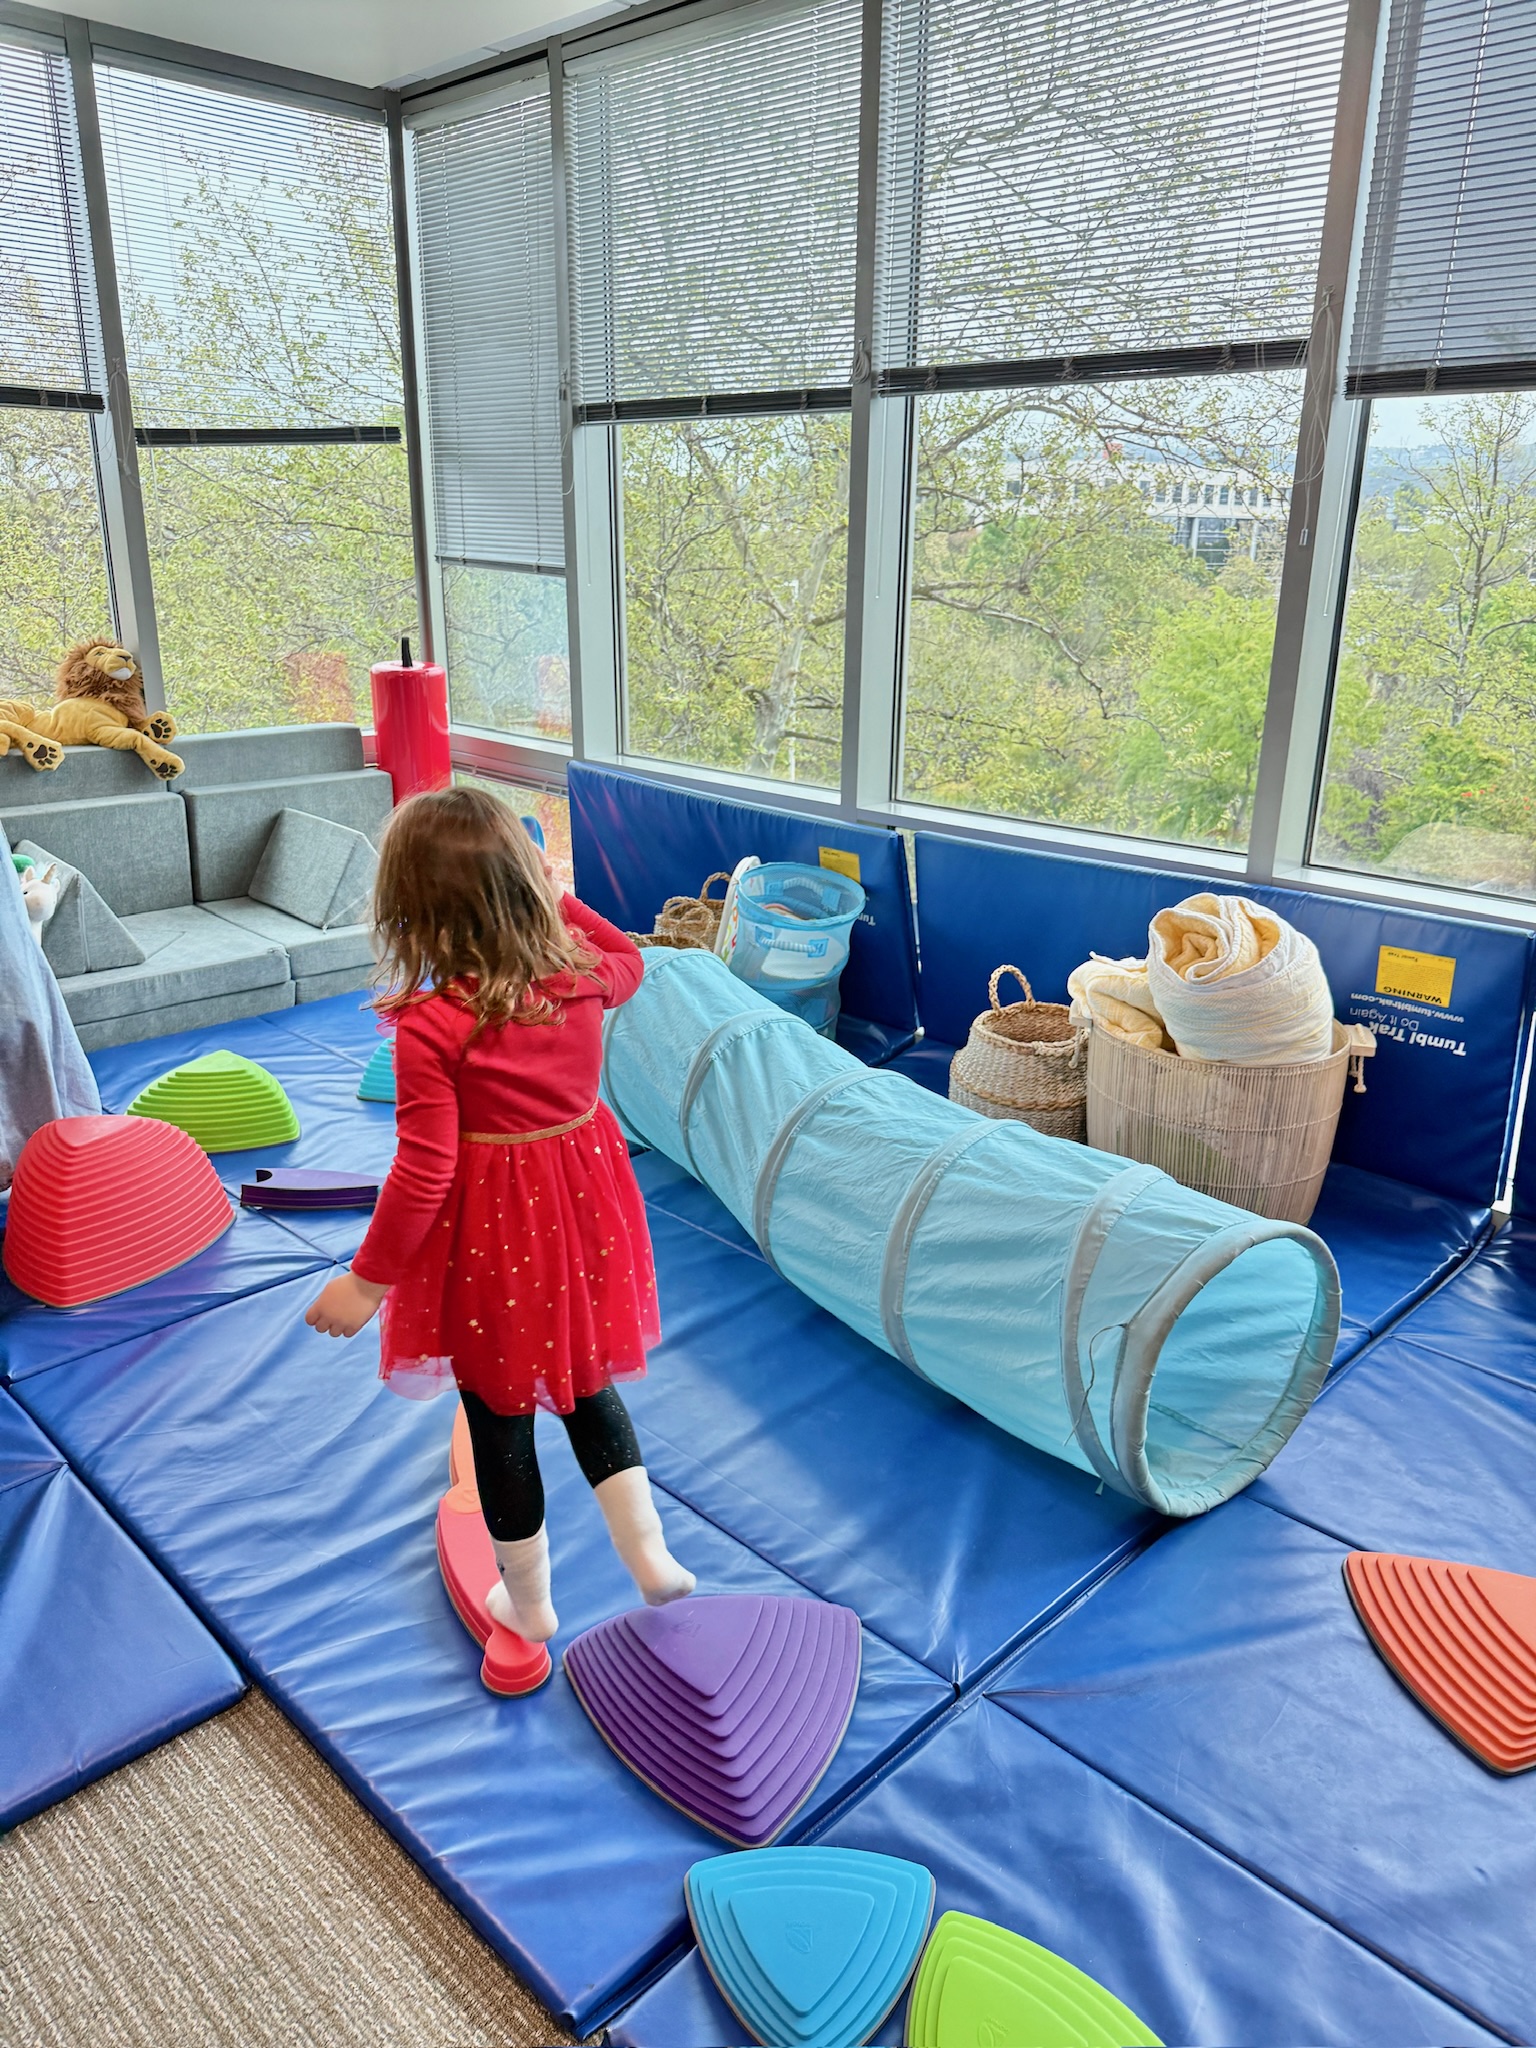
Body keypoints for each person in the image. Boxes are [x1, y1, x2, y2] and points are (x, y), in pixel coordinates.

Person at [305, 787, 693, 1643]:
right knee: (587, 1384)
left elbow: (424, 1170)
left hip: (495, 1236)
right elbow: (626, 952)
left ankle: (528, 1601)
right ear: (523, 888)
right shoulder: (584, 978)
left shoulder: (432, 1026)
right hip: (585, 1211)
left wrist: (368, 1284)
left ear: (413, 914)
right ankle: (652, 1560)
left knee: (498, 1413)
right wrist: (561, 897)